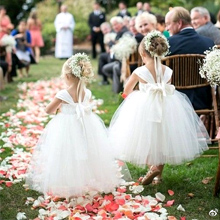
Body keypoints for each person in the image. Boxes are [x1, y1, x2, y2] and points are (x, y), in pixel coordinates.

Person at [109, 31, 209, 185]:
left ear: (142, 53)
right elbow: (167, 87)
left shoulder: (139, 71)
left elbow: (127, 90)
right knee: (162, 140)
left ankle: (152, 167)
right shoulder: (168, 71)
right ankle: (158, 175)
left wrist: (126, 97)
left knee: (146, 139)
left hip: (144, 109)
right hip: (167, 106)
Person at [25, 53, 121, 199]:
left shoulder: (63, 93)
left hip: (66, 127)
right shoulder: (86, 92)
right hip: (85, 125)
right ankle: (83, 180)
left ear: (68, 76)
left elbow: (48, 110)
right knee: (85, 152)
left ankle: (71, 186)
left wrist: (59, 109)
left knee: (66, 154)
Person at [165, 6, 215, 110]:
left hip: (176, 101)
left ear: (179, 23)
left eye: (168, 24)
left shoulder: (169, 44)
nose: (166, 28)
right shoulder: (209, 43)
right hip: (203, 100)